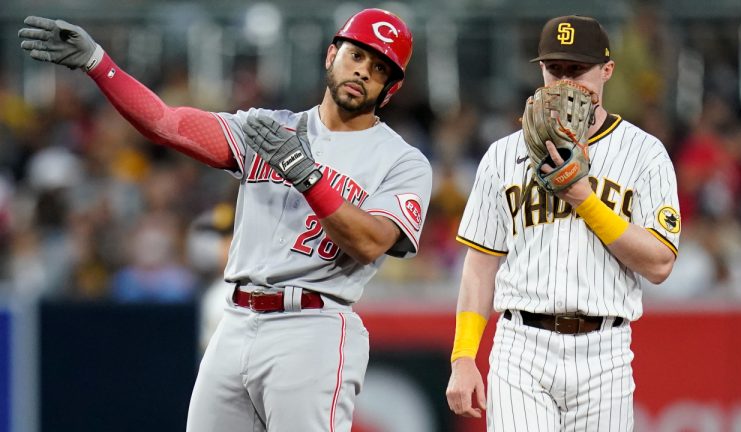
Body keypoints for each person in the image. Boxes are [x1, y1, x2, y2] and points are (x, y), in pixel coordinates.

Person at [19, 8, 431, 432]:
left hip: (314, 327)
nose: (363, 71)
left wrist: (308, 177)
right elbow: (167, 123)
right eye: (357, 56)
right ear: (331, 55)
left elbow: (370, 242)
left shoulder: (401, 161)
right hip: (235, 321)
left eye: (379, 68)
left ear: (391, 88)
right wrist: (99, 65)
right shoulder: (270, 128)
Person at [445, 15, 680, 431]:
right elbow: (480, 264)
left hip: (604, 349)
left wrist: (584, 200)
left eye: (578, 70)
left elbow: (660, 263)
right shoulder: (502, 155)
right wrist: (464, 356)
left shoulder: (644, 153)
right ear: (541, 70)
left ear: (607, 71)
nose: (566, 82)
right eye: (556, 69)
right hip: (522, 346)